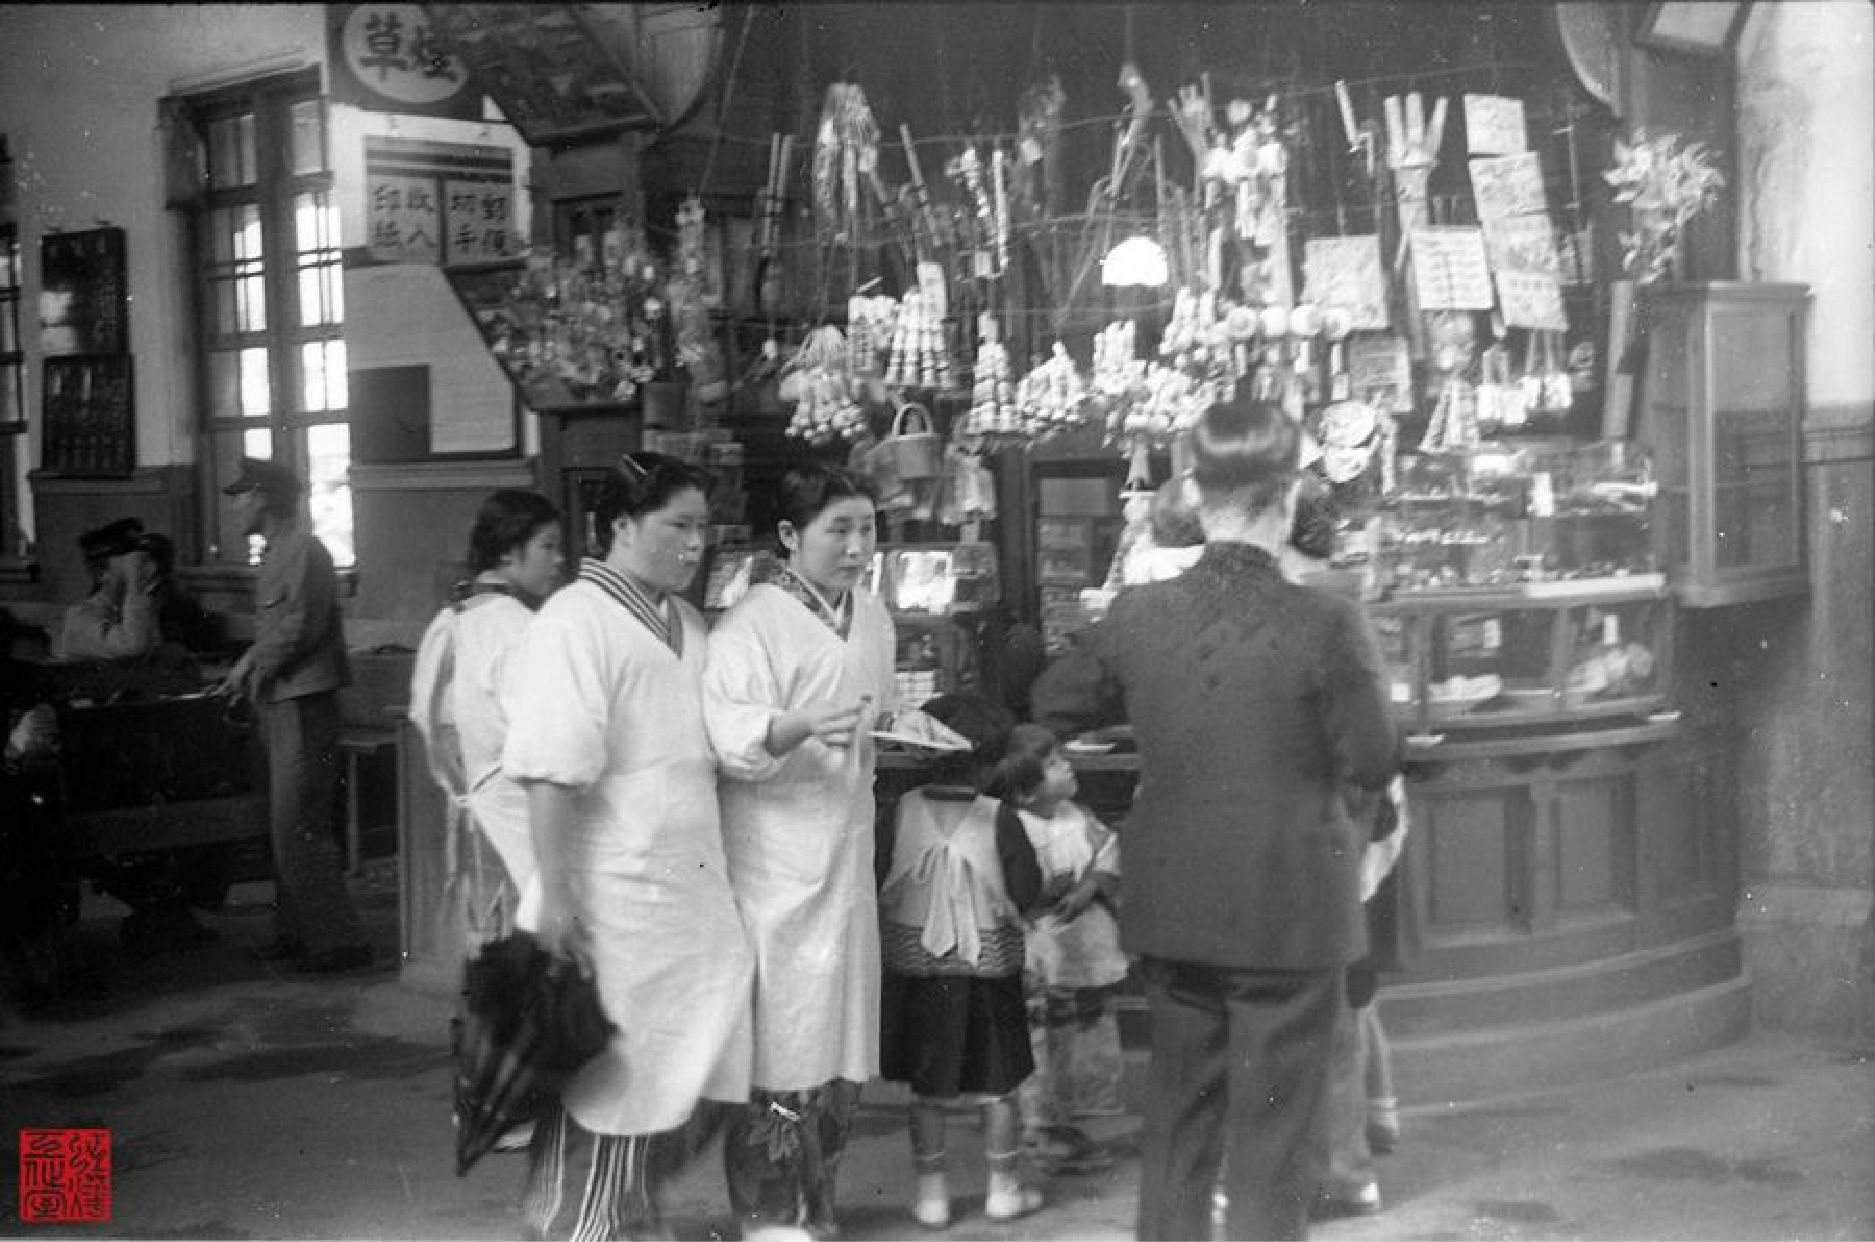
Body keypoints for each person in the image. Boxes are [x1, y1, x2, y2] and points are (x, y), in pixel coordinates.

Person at [1031, 397, 1401, 1241]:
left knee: (1177, 1123)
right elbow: (1375, 758)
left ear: (1194, 495)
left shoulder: (1138, 611)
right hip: (1291, 908)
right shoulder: (1326, 618)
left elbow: (1053, 700)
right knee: (1274, 1142)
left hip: (1174, 906)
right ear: (1290, 496)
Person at [500, 453, 753, 1240]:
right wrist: (556, 898)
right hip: (606, 887)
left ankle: (628, 1211)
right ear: (618, 527)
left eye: (702, 528)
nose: (694, 544)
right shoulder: (573, 621)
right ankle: (590, 1226)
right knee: (618, 1076)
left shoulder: (687, 623)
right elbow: (549, 775)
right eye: (676, 525)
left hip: (689, 889)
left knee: (713, 1052)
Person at [700, 462, 898, 1240]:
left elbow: (873, 712)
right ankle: (766, 1213)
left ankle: (818, 1203)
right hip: (774, 857)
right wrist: (798, 723)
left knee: (841, 1028)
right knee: (782, 1032)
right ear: (788, 537)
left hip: (846, 846)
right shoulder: (748, 623)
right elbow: (729, 737)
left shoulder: (873, 615)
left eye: (866, 530)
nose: (856, 548)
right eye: (837, 531)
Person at [876, 694, 1045, 1230]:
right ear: (993, 763)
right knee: (999, 1088)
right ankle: (1004, 1190)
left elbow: (878, 874)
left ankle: (932, 1197)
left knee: (928, 1091)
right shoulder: (999, 820)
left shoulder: (899, 813)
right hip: (987, 974)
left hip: (919, 973)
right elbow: (1026, 890)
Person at [218, 456, 371, 974]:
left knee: (299, 826)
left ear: (263, 496)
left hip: (304, 703)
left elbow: (297, 626)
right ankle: (299, 932)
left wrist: (249, 664)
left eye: (241, 495)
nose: (236, 504)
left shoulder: (304, 550)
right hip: (282, 702)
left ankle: (337, 942)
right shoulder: (278, 554)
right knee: (286, 826)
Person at [408, 488, 563, 943]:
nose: (559, 560)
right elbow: (545, 728)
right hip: (518, 802)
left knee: (486, 937)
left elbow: (426, 716)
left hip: (468, 797)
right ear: (509, 553)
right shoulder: (518, 627)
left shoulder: (450, 619)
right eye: (548, 546)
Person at [984, 722, 1129, 1176]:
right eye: (1052, 764)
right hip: (1039, 941)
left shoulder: (1079, 817)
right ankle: (1039, 1128)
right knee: (1042, 1036)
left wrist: (1089, 888)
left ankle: (1066, 1120)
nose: (1066, 766)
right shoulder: (1012, 826)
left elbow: (1109, 853)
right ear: (1026, 793)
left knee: (1077, 1035)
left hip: (1081, 937)